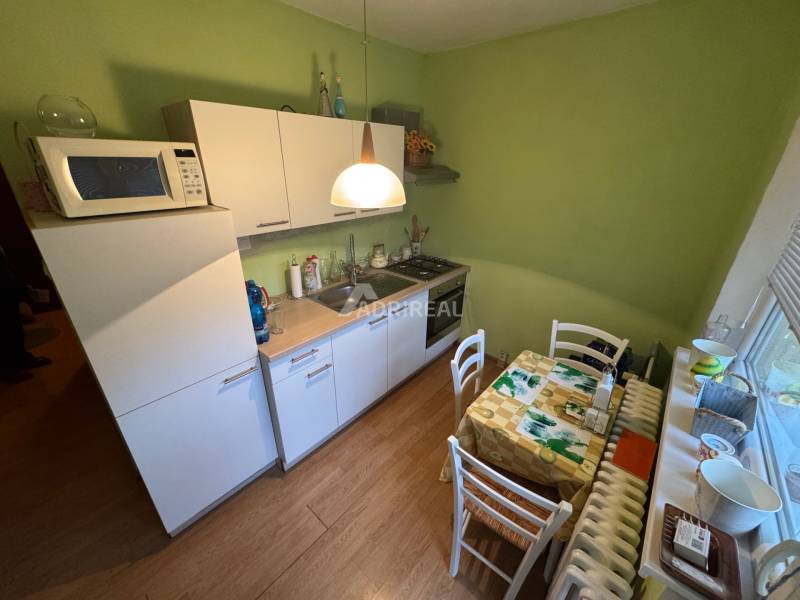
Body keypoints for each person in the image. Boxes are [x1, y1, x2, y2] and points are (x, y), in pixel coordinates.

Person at [0, 245, 51, 382]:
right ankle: (8, 370)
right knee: (5, 330)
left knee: (13, 326)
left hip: (6, 288)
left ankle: (22, 359)